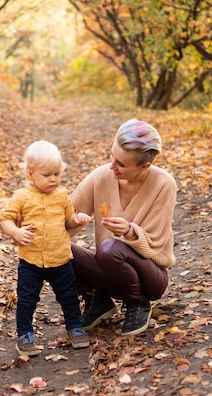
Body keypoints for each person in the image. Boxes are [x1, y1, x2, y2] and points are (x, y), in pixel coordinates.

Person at [68, 119, 177, 336]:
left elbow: (155, 243)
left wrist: (128, 230)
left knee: (110, 248)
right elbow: (66, 213)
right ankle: (97, 300)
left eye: (121, 164)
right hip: (108, 270)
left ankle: (138, 303)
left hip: (149, 277)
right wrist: (34, 218)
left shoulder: (164, 185)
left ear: (145, 166)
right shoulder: (101, 176)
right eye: (112, 156)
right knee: (54, 244)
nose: (112, 166)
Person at [0, 140, 91, 356]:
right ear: (31, 174)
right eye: (47, 175)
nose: (53, 179)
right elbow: (5, 219)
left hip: (60, 258)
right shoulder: (22, 196)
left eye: (57, 174)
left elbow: (68, 220)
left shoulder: (61, 195)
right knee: (27, 297)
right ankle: (24, 334)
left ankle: (75, 328)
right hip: (31, 260)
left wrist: (77, 219)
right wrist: (15, 232)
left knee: (69, 296)